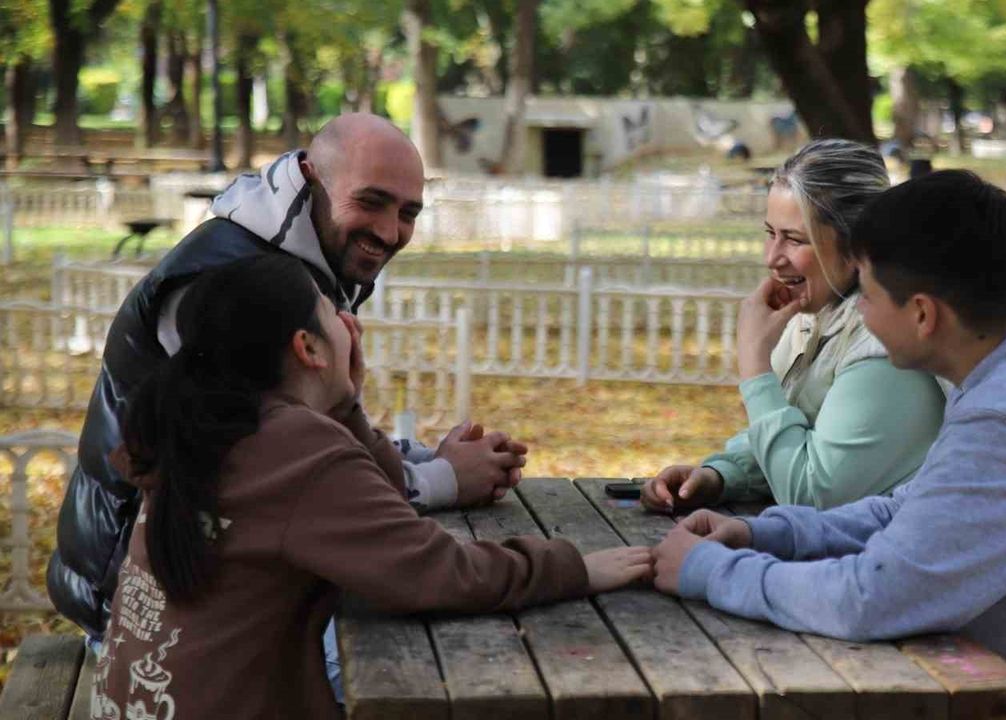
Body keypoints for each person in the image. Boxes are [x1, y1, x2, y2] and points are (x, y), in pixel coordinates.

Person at [651, 170, 1006, 719]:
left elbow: (875, 597)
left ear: (923, 314)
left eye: (867, 296)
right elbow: (913, 510)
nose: (860, 314)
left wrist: (711, 571)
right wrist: (766, 533)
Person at [88, 255, 652, 720]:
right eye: (331, 311)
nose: (348, 321)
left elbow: (379, 509)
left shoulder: (209, 426)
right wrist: (573, 568)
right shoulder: (294, 447)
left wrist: (344, 406)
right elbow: (435, 573)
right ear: (308, 347)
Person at [48, 113, 527, 644]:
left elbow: (311, 435)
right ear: (311, 178)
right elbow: (277, 475)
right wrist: (443, 481)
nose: (390, 232)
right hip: (147, 611)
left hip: (214, 583)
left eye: (408, 212)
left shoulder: (295, 258)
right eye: (370, 202)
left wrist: (428, 460)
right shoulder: (226, 282)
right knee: (425, 653)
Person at [641, 139, 945, 513]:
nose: (772, 258)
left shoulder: (885, 347)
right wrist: (722, 475)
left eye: (794, 239)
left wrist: (754, 363)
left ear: (858, 247)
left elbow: (809, 494)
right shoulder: (818, 314)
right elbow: (796, 433)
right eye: (770, 233)